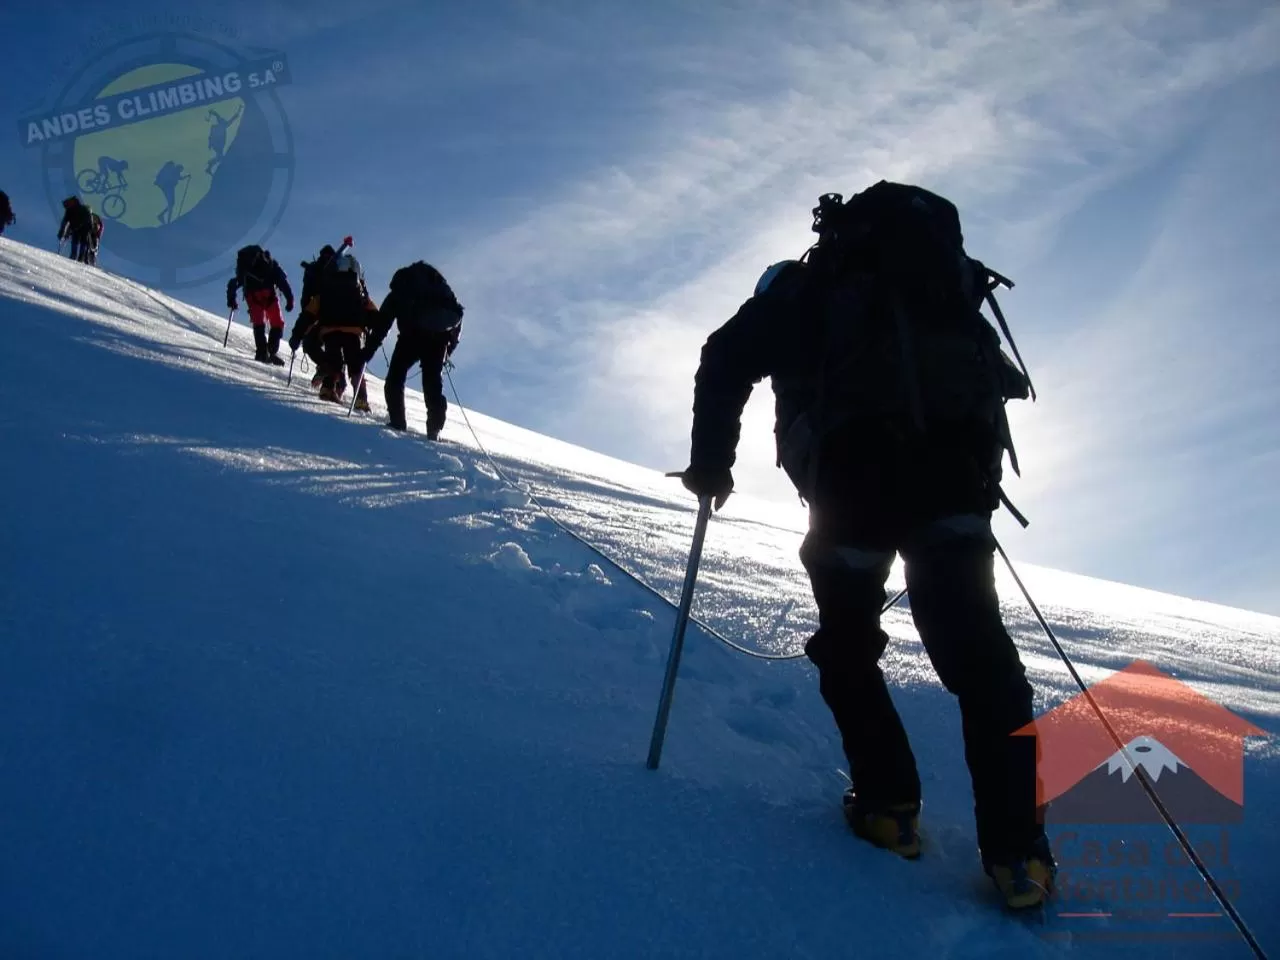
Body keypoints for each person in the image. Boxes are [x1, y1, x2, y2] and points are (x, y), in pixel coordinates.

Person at [679, 181, 1051, 910]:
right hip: (954, 480)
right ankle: (1019, 852)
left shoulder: (804, 291)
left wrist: (711, 463)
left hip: (852, 491)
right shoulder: (931, 287)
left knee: (849, 648)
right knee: (982, 662)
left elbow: (724, 357)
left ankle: (888, 804)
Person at [362, 260, 463, 438]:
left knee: (395, 378)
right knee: (433, 385)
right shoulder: (437, 287)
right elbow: (456, 317)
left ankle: (397, 422)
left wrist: (366, 354)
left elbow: (381, 326)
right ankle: (434, 430)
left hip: (411, 337)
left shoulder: (399, 292)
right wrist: (448, 350)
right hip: (437, 340)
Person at [289, 252, 378, 407]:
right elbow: (374, 316)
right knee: (355, 364)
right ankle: (361, 398)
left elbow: (308, 315)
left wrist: (297, 336)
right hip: (354, 333)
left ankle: (328, 389)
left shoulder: (326, 289)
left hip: (329, 332)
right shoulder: (360, 290)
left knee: (333, 361)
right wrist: (376, 332)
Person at [227, 246, 294, 365]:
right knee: (277, 323)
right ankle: (272, 351)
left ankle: (261, 353)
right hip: (269, 296)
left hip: (252, 297)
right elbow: (282, 282)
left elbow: (234, 283)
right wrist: (290, 299)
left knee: (259, 324)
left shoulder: (246, 268)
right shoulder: (271, 265)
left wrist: (231, 299)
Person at [292, 244, 337, 387]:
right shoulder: (340, 272)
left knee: (311, 343)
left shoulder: (313, 270)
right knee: (336, 349)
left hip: (316, 311)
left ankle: (327, 373)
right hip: (338, 316)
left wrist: (297, 335)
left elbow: (306, 298)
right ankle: (334, 385)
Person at [57, 197, 95, 262]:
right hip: (85, 228)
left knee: (75, 241)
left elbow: (65, 223)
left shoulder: (69, 211)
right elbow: (90, 221)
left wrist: (62, 232)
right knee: (83, 242)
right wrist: (90, 228)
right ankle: (81, 257)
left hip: (76, 228)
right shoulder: (84, 209)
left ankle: (73, 255)